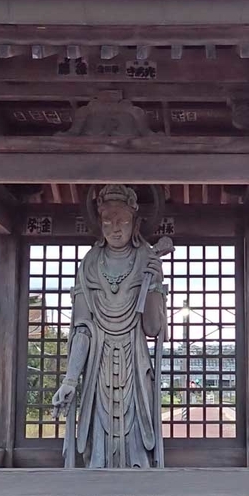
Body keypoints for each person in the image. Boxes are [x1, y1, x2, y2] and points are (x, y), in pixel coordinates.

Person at [52, 184, 171, 471]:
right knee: (98, 445)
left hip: (135, 363)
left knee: (137, 441)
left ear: (135, 222)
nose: (115, 228)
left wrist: (154, 286)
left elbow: (152, 328)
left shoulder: (146, 259)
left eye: (123, 221)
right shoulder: (90, 264)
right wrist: (70, 379)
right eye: (107, 221)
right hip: (98, 364)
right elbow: (82, 328)